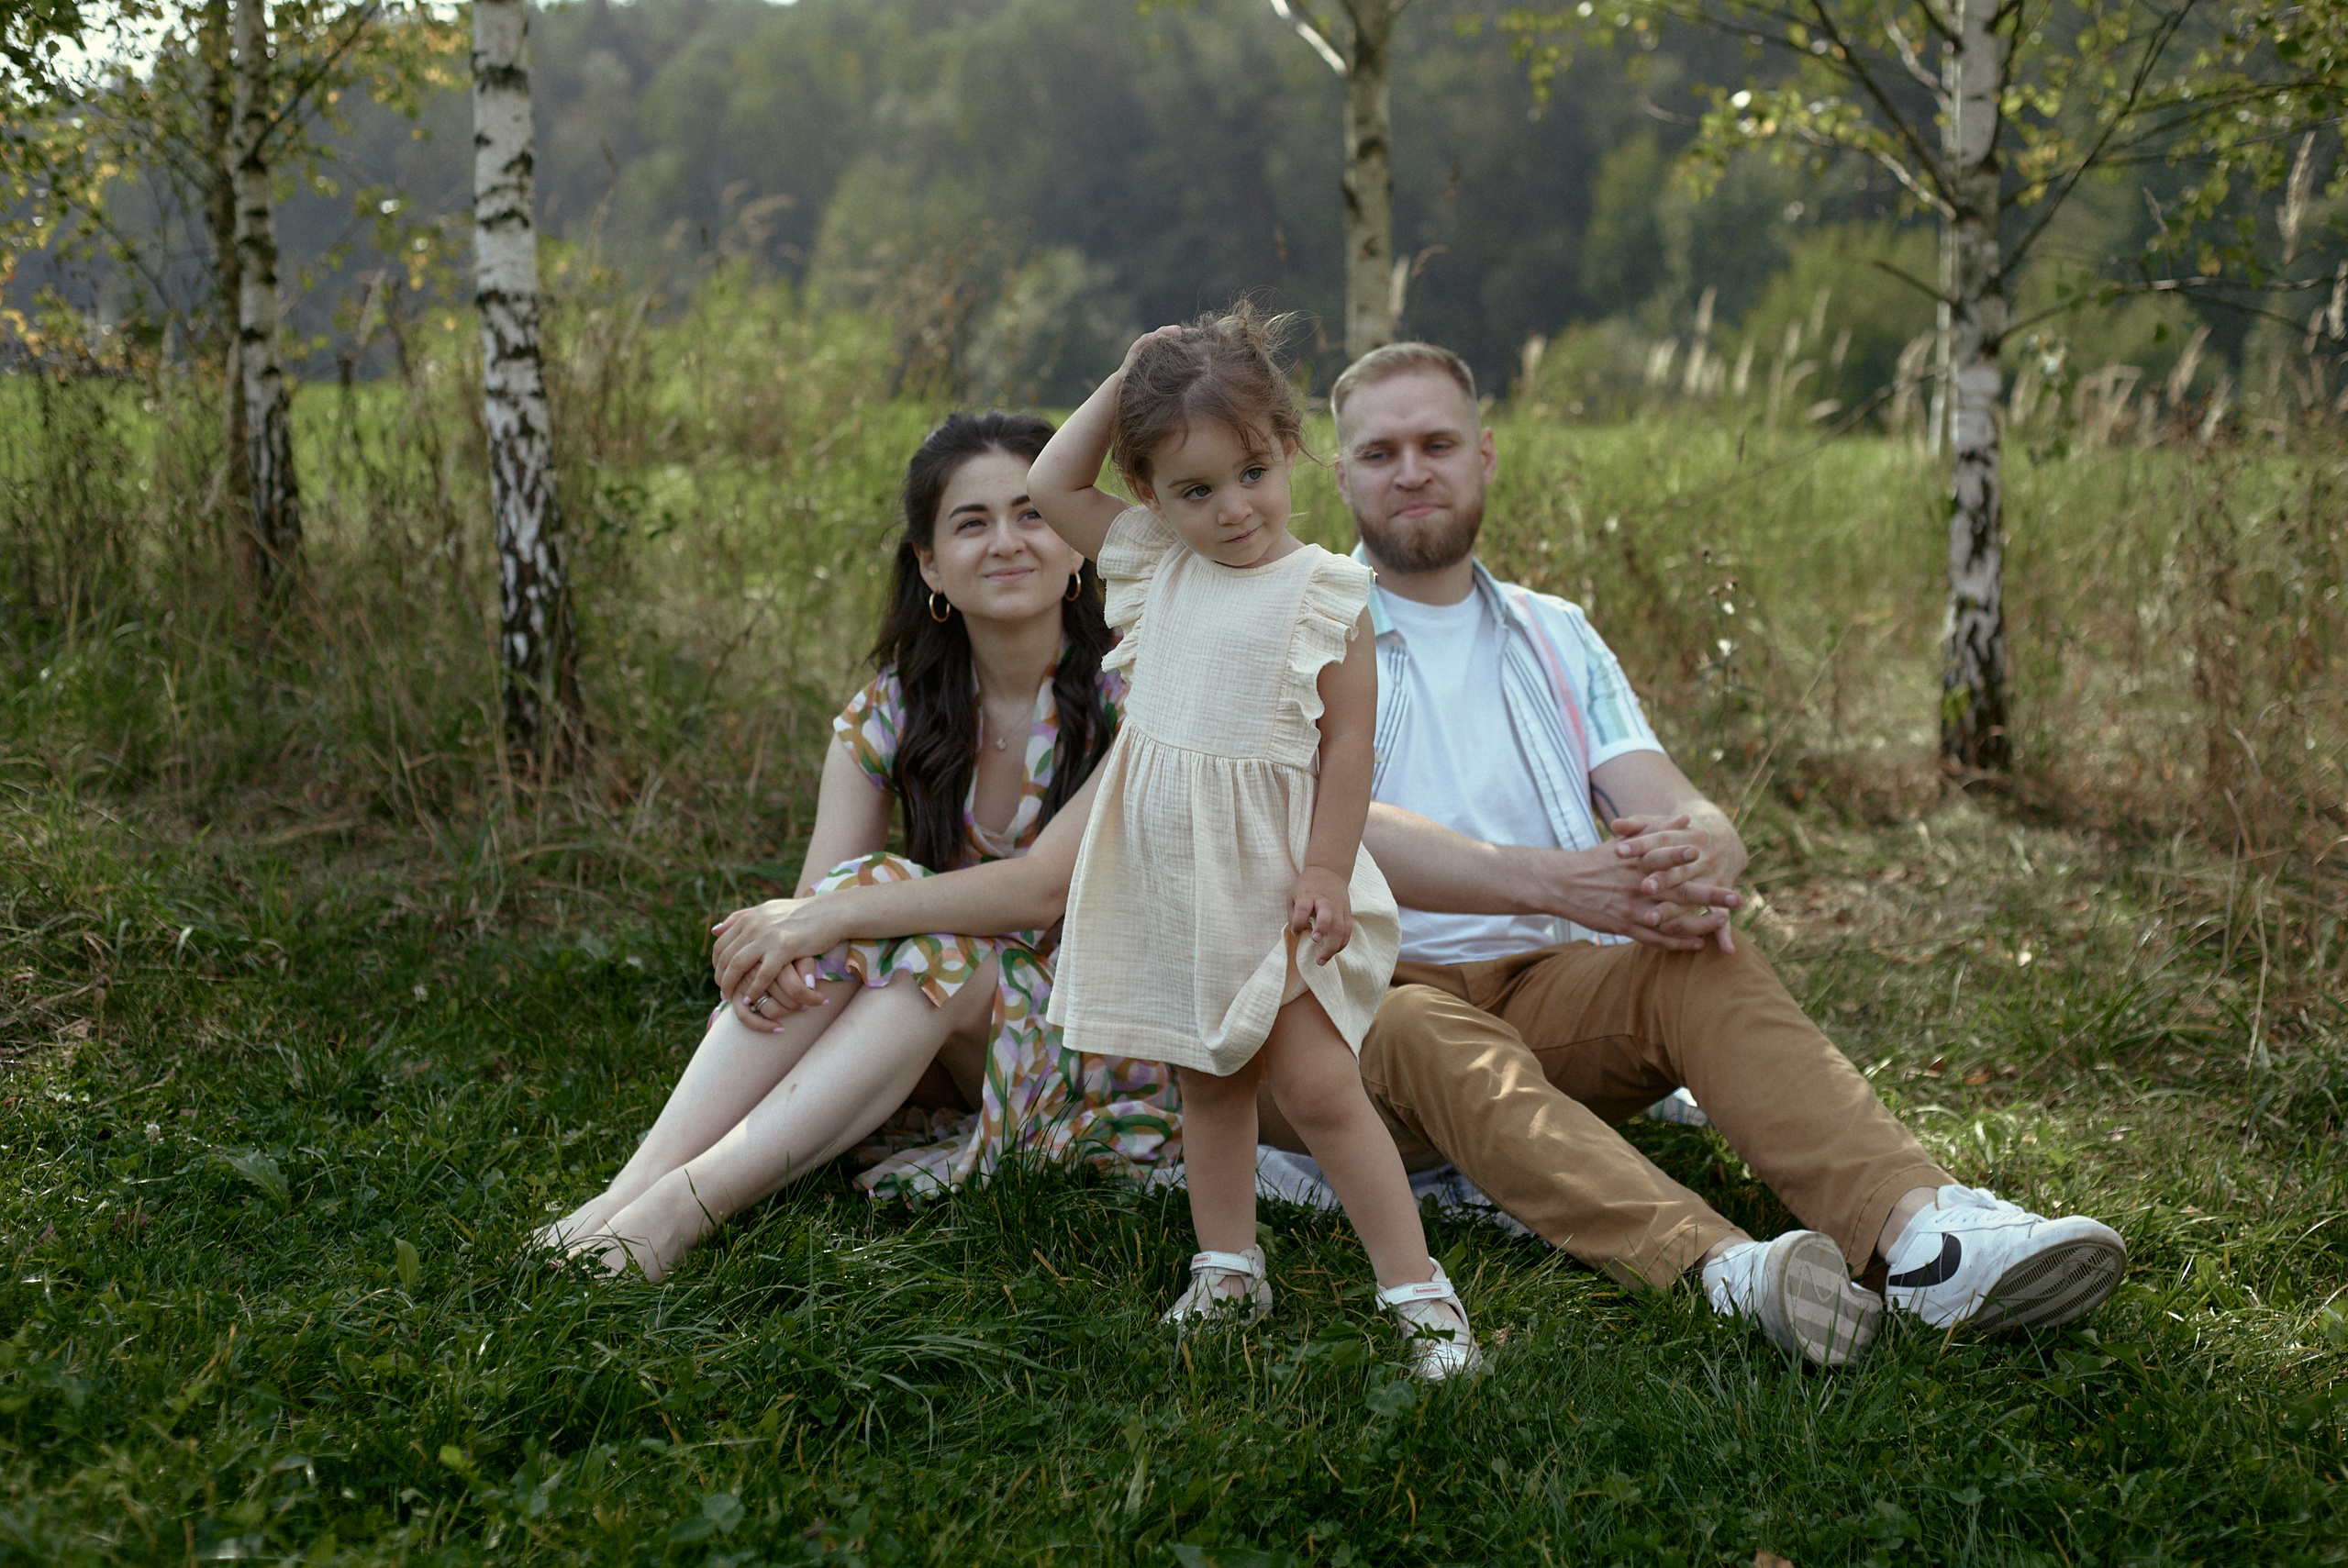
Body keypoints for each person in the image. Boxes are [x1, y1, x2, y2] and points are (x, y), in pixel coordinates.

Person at [1267, 341, 2126, 1368]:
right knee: (1422, 1024)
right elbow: (1312, 825)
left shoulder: (1554, 630)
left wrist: (1701, 849)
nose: (1412, 471)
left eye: (1436, 444)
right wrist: (1554, 879)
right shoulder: (1298, 629)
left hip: (1541, 988)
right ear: (1341, 476)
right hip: (1360, 1003)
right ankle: (1726, 1270)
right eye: (1380, 452)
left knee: (1698, 957)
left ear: (1484, 454)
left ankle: (1927, 1239)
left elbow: (1674, 799)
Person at [534, 412, 1177, 1280]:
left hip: (1100, 1035)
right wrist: (798, 936)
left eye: (1031, 514)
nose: (1006, 542)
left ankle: (683, 1210)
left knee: (881, 918)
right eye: (972, 522)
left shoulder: (1137, 694)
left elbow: (1038, 892)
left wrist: (823, 917)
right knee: (854, 917)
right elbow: (822, 923)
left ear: (1075, 547)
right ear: (930, 565)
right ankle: (628, 1192)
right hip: (945, 1024)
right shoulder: (895, 707)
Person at [1024, 307, 1480, 1380]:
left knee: (1317, 1085)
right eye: (1195, 490)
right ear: (1147, 493)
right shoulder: (1155, 561)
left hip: (1280, 882)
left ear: (1288, 448)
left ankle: (1418, 1289)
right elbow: (1049, 482)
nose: (1232, 509)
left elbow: (1349, 743)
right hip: (1178, 879)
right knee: (1208, 1080)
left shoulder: (1324, 590)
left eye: (1253, 473)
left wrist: (1326, 866)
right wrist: (1129, 370)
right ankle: (1227, 1265)